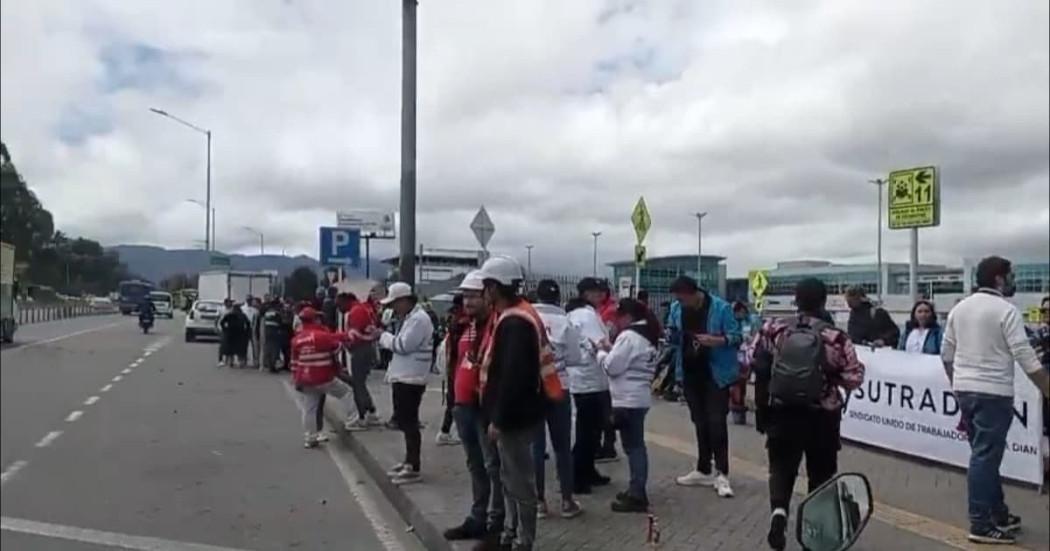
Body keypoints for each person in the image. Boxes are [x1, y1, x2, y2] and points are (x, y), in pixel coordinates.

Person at [746, 278, 865, 550]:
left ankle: (779, 513)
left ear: (795, 300)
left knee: (781, 467)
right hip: (821, 415)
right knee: (821, 474)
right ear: (824, 301)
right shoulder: (835, 337)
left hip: (782, 411)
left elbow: (751, 359)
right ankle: (815, 532)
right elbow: (853, 378)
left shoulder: (774, 329)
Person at [941, 256, 1050, 544]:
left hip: (966, 391)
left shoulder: (959, 309)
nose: (1015, 281)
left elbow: (946, 354)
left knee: (984, 456)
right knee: (985, 459)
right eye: (1011, 276)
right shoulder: (1006, 310)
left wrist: (957, 384)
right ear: (999, 279)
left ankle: (998, 513)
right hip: (994, 392)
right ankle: (980, 523)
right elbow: (1026, 357)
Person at [475, 256, 552, 551]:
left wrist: (499, 418)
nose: (483, 294)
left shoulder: (515, 322)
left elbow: (513, 376)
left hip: (515, 417)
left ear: (495, 287)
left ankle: (523, 540)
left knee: (519, 481)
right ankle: (511, 534)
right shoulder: (515, 316)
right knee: (511, 478)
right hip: (517, 413)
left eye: (485, 287)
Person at [444, 271, 505, 542]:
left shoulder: (498, 325)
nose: (467, 302)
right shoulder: (462, 326)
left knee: (493, 465)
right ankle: (479, 516)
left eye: (473, 296)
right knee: (475, 464)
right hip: (463, 404)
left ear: (488, 296)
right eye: (465, 296)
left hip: (484, 407)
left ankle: (497, 520)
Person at [670, 276, 742, 499]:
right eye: (678, 300)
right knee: (699, 421)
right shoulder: (676, 308)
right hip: (690, 371)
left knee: (716, 422)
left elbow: (737, 336)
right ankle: (703, 468)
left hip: (715, 373)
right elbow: (672, 333)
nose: (680, 303)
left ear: (694, 294)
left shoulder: (721, 308)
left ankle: (722, 473)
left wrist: (716, 340)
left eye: (683, 299)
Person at [598, 298, 658, 513]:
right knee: (636, 446)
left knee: (633, 448)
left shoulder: (629, 336)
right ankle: (636, 488)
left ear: (628, 317)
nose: (617, 322)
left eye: (619, 317)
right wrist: (612, 348)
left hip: (627, 400)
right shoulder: (647, 335)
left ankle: (637, 494)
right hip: (639, 397)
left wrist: (600, 352)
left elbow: (612, 367)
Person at [531, 279, 583, 519]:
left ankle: (538, 501)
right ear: (558, 297)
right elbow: (575, 358)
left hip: (532, 386)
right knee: (562, 446)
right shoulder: (567, 322)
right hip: (559, 385)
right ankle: (566, 500)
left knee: (535, 446)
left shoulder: (527, 318)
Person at [378, 281, 434, 485]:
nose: (392, 308)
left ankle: (413, 465)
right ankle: (409, 461)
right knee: (404, 420)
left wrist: (382, 336)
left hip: (412, 377)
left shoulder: (419, 320)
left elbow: (403, 345)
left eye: (394, 303)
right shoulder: (411, 318)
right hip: (405, 375)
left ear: (404, 301)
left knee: (409, 421)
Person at [566, 281, 613, 494]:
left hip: (580, 378)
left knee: (589, 429)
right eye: (596, 291)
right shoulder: (587, 315)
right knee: (589, 430)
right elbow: (601, 343)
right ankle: (578, 476)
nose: (600, 294)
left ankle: (587, 471)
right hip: (591, 380)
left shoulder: (575, 314)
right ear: (586, 293)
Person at [291, 307, 358, 448]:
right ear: (315, 319)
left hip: (305, 378)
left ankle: (310, 437)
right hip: (323, 377)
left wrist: (296, 380)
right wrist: (348, 336)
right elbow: (336, 345)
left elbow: (294, 363)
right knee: (347, 393)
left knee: (309, 409)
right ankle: (353, 420)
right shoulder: (321, 335)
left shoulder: (297, 339)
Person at [344, 283, 384, 430]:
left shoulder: (357, 311)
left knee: (358, 384)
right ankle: (371, 412)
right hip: (367, 348)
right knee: (360, 383)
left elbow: (355, 334)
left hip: (360, 349)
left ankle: (362, 415)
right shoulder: (367, 309)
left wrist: (348, 344)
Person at [436, 294, 465, 446]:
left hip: (452, 367)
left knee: (452, 402)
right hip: (457, 367)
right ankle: (448, 432)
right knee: (456, 403)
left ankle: (445, 431)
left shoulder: (454, 320)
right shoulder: (461, 322)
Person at [729, 302, 756, 425]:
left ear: (742, 310)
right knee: (738, 383)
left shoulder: (753, 320)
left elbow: (757, 336)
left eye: (737, 312)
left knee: (742, 381)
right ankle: (738, 407)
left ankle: (740, 406)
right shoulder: (735, 322)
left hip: (750, 354)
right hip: (738, 355)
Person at [262, 297, 285, 372]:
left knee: (268, 348)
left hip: (267, 332)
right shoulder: (277, 313)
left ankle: (268, 364)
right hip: (275, 332)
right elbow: (281, 323)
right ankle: (273, 365)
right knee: (275, 349)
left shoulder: (267, 313)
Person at [242, 296, 259, 367]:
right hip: (244, 328)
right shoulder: (242, 309)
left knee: (254, 345)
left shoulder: (255, 310)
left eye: (250, 300)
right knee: (244, 345)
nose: (249, 301)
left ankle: (256, 361)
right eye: (248, 300)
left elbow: (256, 320)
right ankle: (244, 360)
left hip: (252, 328)